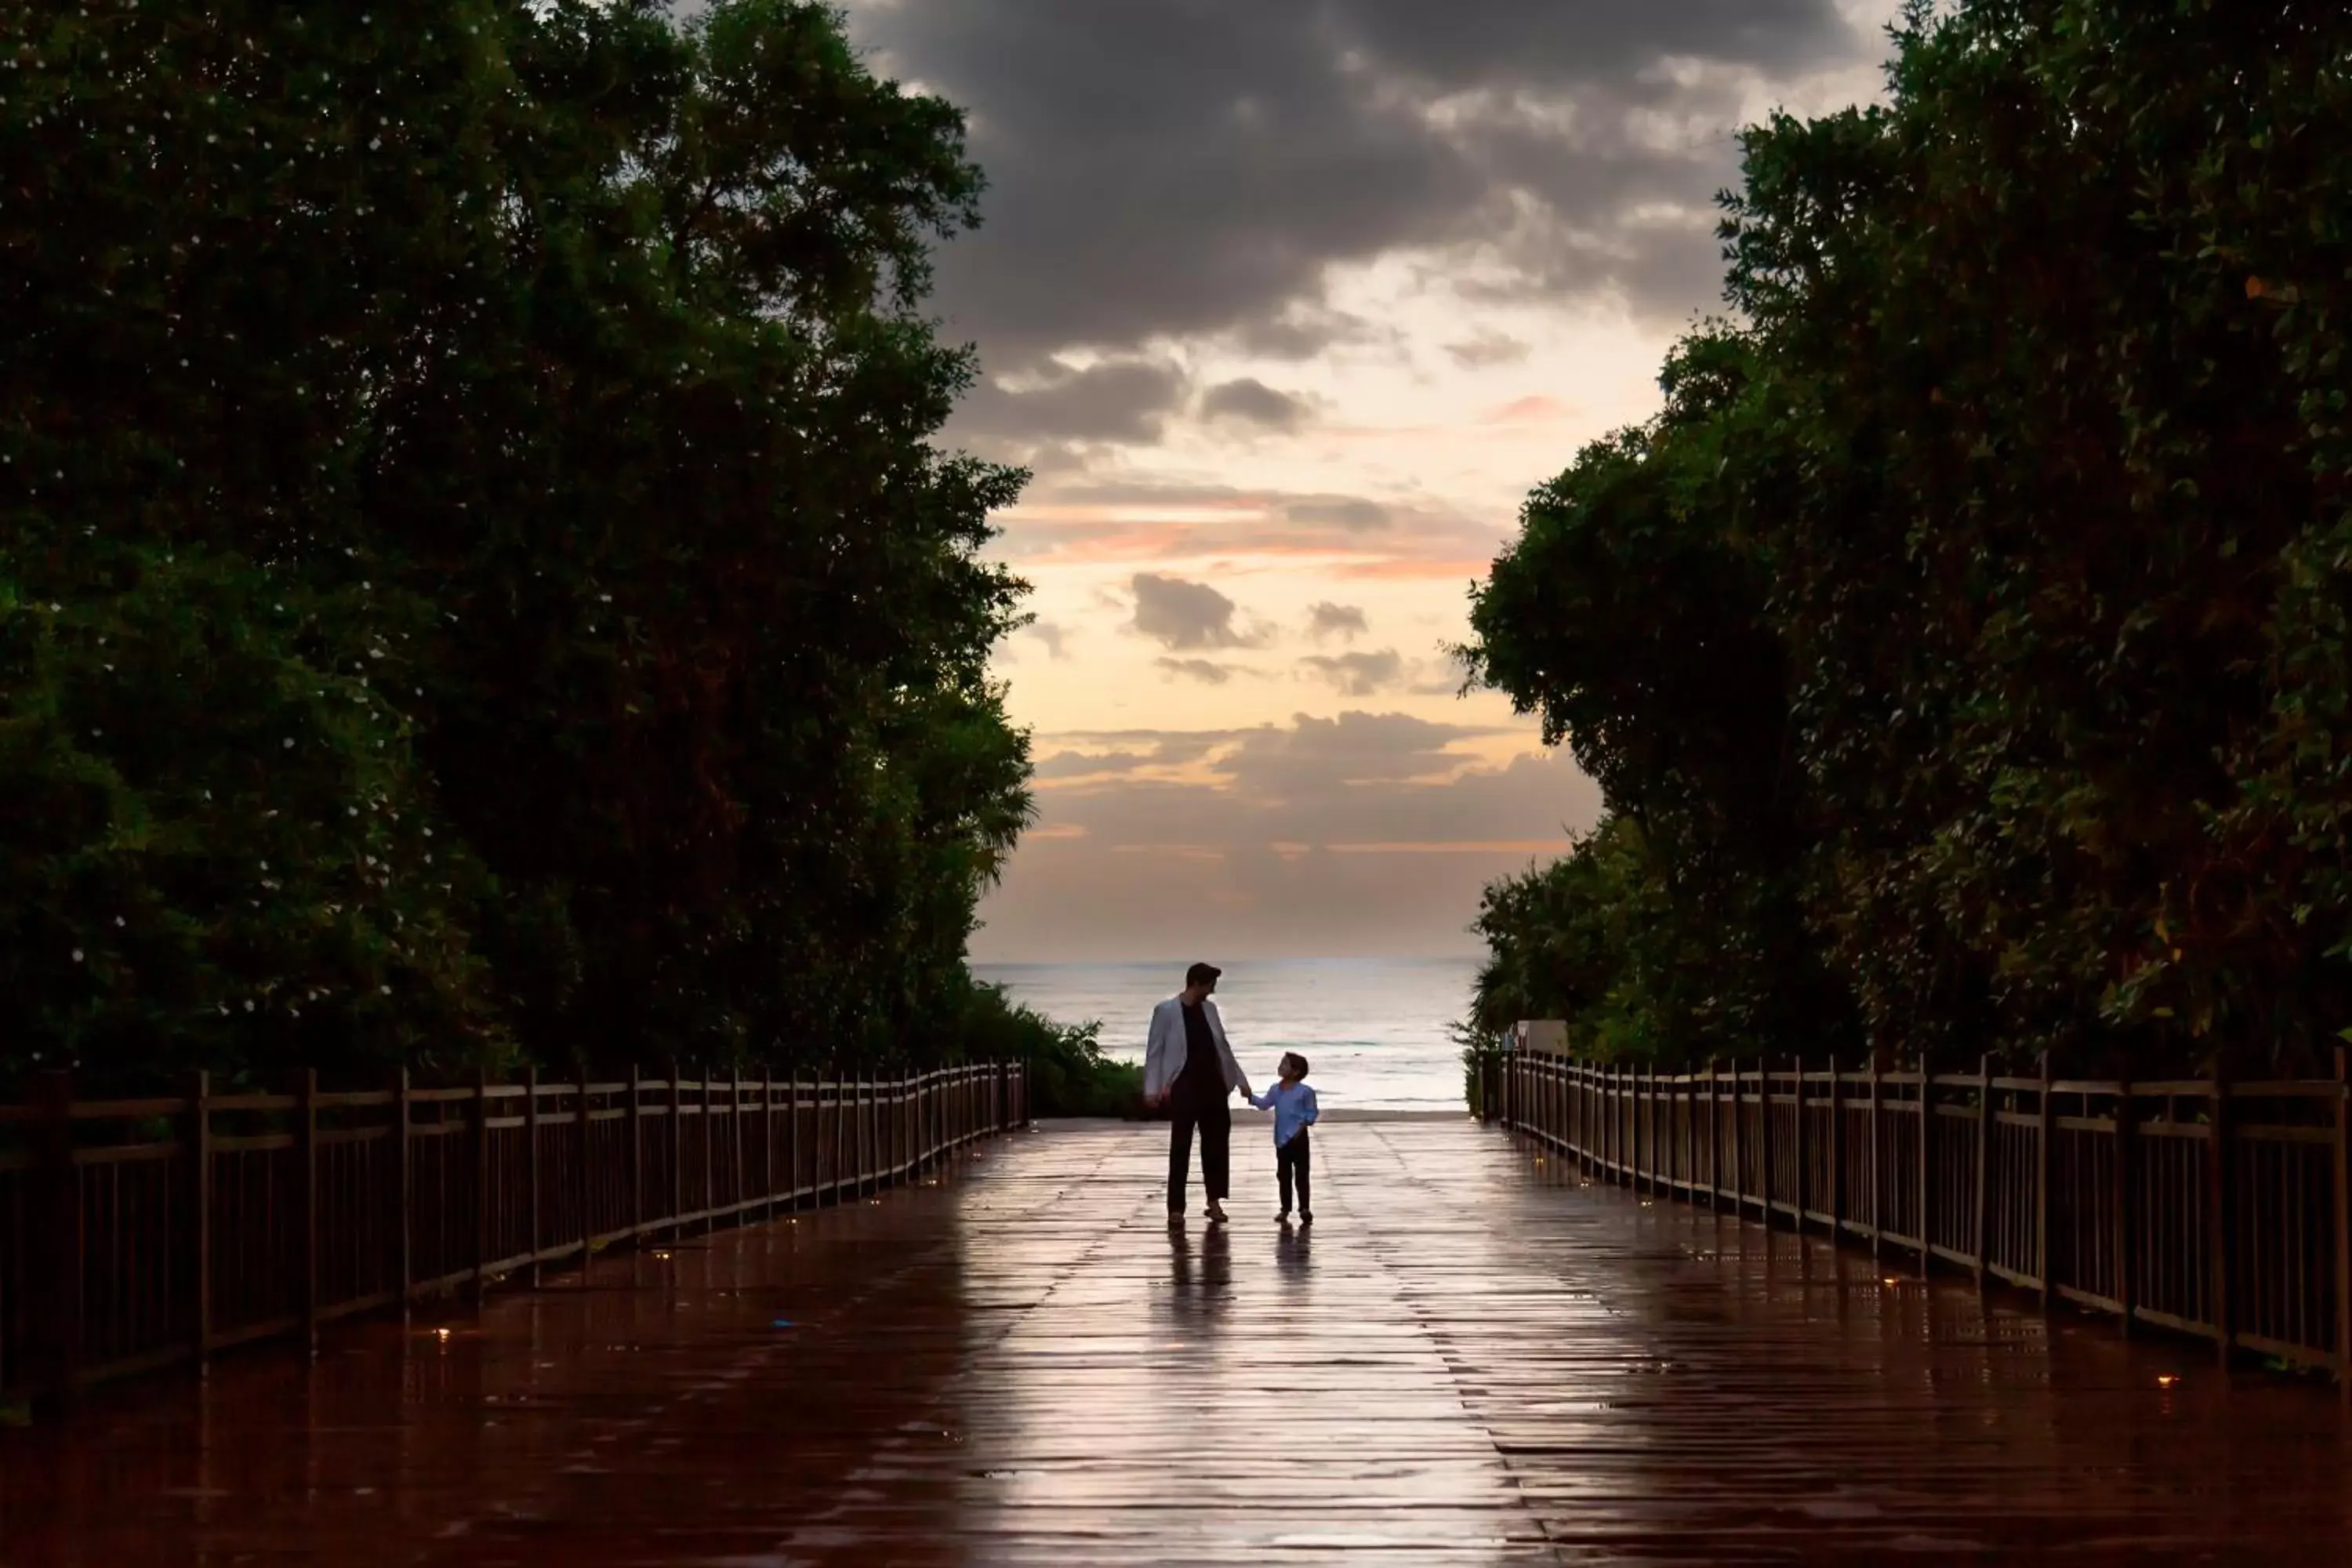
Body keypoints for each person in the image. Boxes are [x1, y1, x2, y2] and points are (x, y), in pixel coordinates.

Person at [1143, 962, 1252, 1223]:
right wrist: (1152, 1089)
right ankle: (1176, 1209)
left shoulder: (1210, 1010)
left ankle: (1214, 1203)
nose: (1213, 990)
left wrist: (1240, 1080)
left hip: (1213, 1085)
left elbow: (1222, 1048)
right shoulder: (1166, 1010)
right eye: (1210, 984)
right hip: (1184, 1085)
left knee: (1216, 1145)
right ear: (1196, 983)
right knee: (1180, 1145)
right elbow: (1155, 1051)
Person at [1246, 1052, 1319, 1225]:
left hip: (1299, 1137)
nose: (1281, 1066)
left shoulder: (1305, 1092)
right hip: (1281, 1139)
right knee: (1283, 1175)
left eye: (1285, 1064)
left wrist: (1303, 1126)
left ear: (1296, 1072)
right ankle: (1285, 1208)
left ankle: (1304, 1208)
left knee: (1302, 1174)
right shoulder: (1275, 1090)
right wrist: (1250, 1096)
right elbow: (1264, 1104)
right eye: (1282, 1063)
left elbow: (1312, 1113)